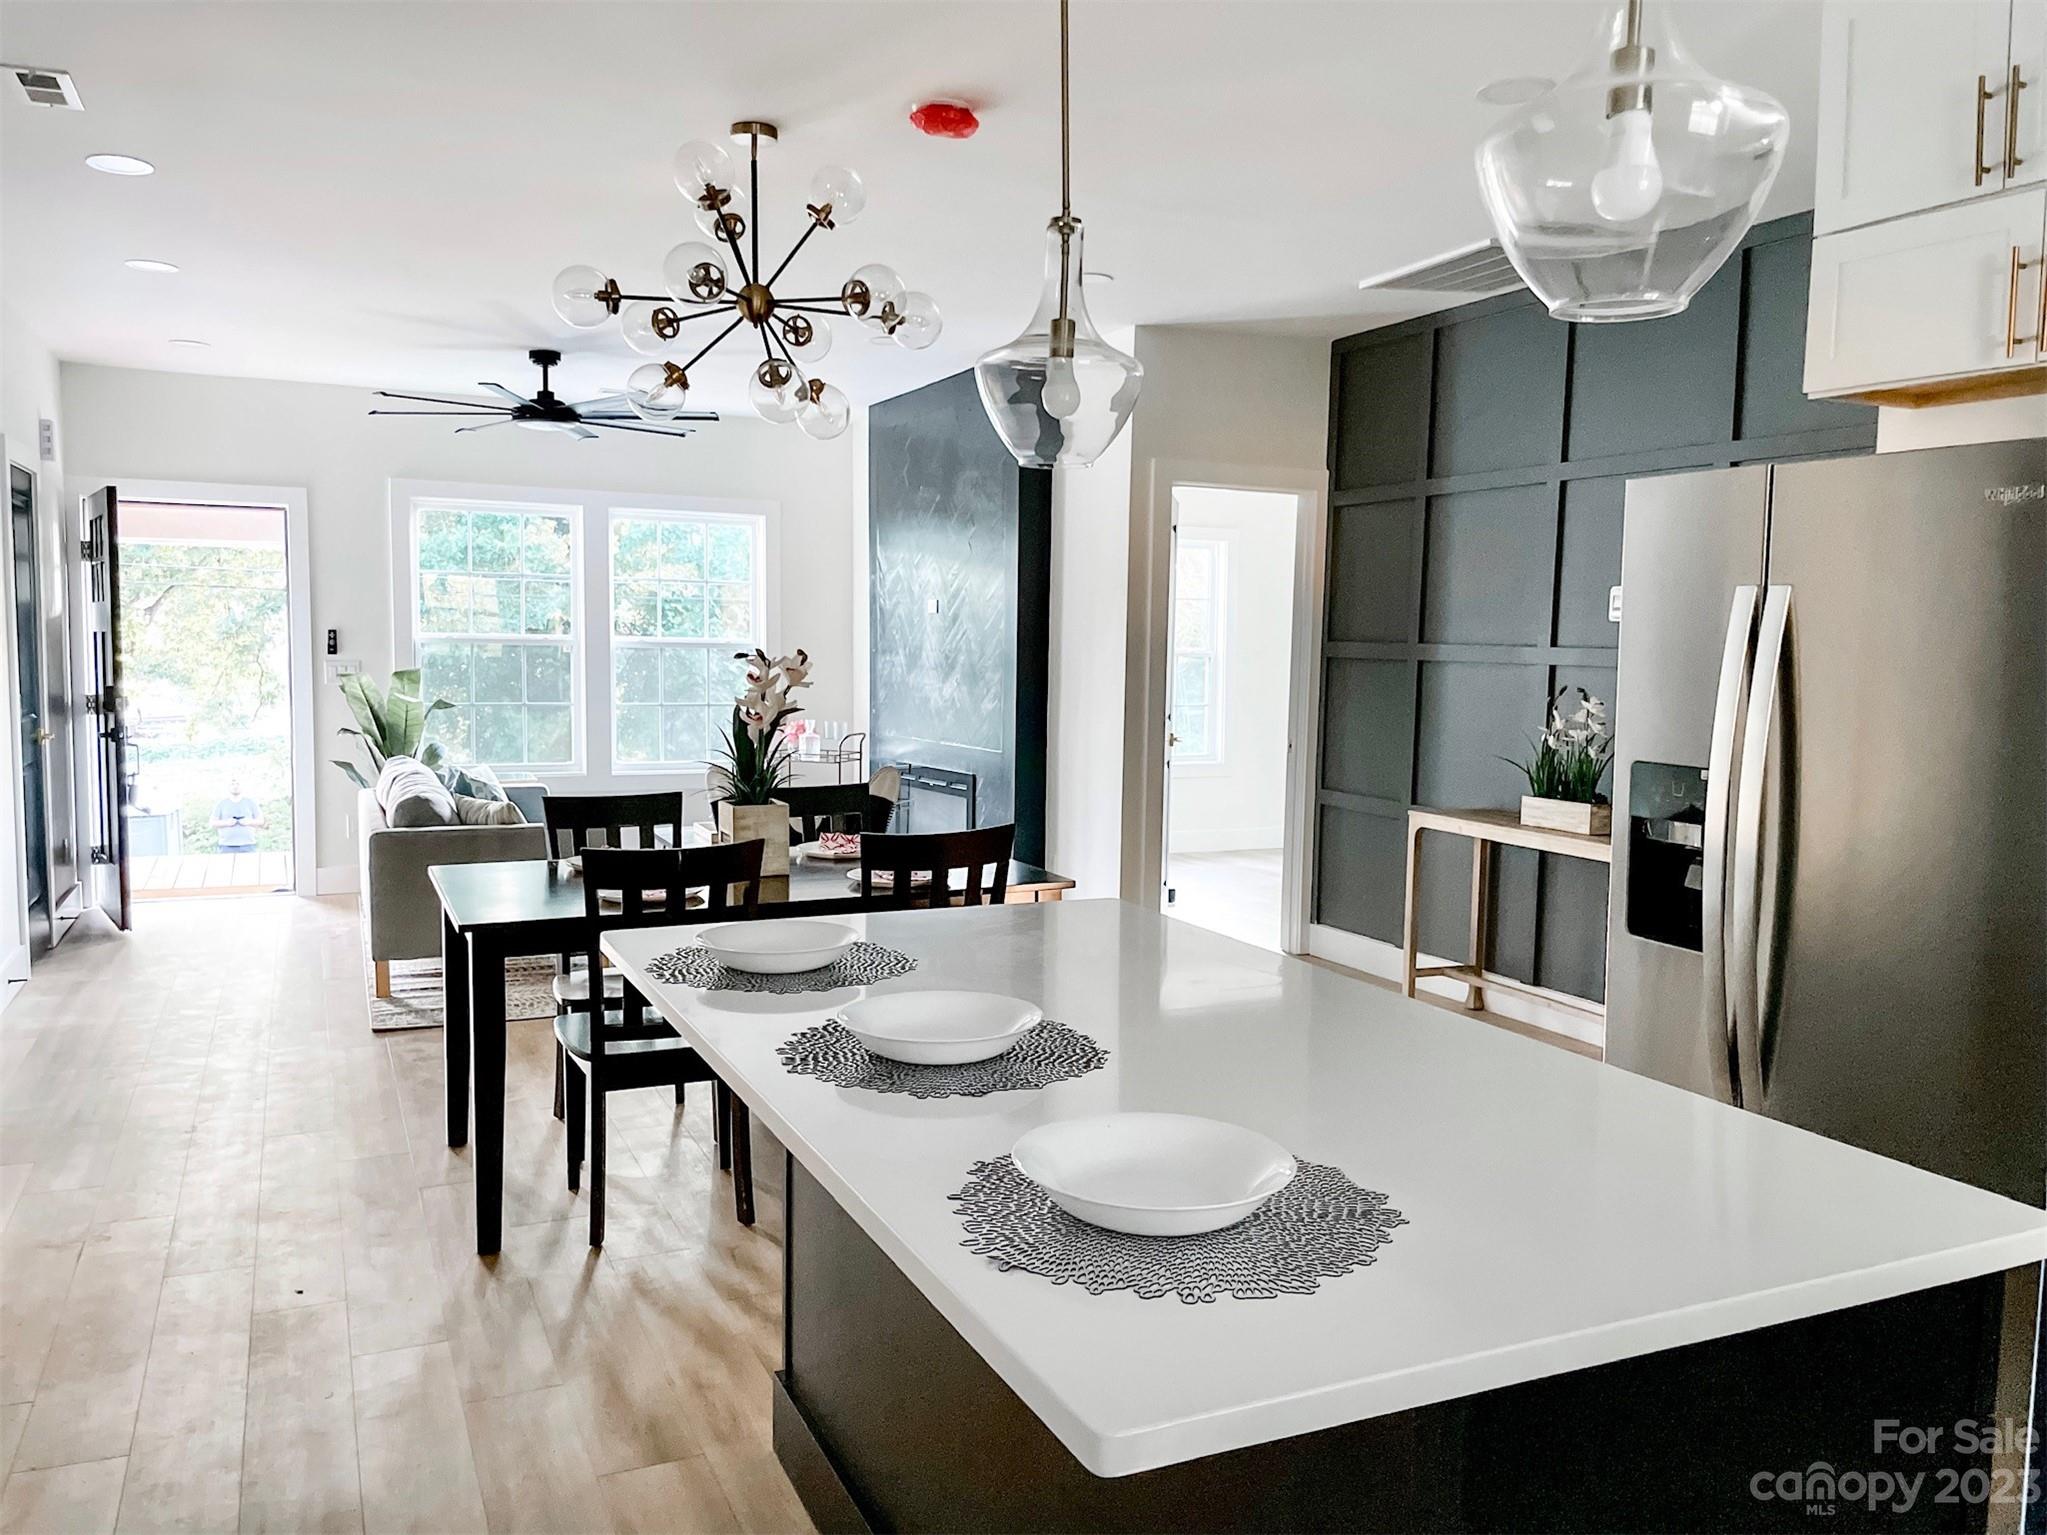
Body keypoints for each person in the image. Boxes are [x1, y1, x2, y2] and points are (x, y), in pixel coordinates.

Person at [210, 779, 265, 853]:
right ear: (228, 787)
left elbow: (261, 821)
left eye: (238, 784)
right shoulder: (221, 803)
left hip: (248, 845)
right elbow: (212, 823)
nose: (235, 786)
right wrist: (227, 823)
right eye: (232, 784)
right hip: (226, 846)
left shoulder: (251, 802)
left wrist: (248, 822)